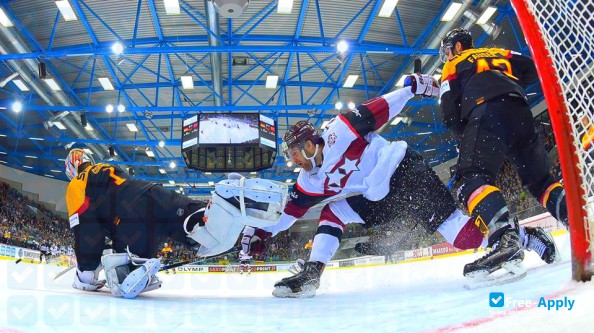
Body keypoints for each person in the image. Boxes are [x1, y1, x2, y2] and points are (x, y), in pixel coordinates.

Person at [240, 76, 557, 297]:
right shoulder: (307, 181)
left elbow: (378, 109)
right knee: (333, 212)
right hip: (377, 197)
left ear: (310, 144)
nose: (293, 160)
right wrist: (262, 231)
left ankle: (524, 235)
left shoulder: (340, 130)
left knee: (466, 239)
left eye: (295, 152)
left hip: (404, 173)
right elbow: (290, 213)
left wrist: (410, 89)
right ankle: (312, 275)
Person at [438, 28, 564, 279]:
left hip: (486, 112)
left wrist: (466, 139)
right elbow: (530, 68)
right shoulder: (499, 52)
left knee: (470, 178)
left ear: (458, 47)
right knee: (542, 182)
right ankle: (580, 224)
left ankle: (505, 242)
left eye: (448, 50)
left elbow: (450, 112)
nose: (447, 55)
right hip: (520, 111)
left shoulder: (453, 64)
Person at [64, 148, 235, 298]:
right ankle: (236, 212)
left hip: (131, 218)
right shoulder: (109, 169)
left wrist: (85, 271)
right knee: (196, 221)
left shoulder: (77, 183)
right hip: (152, 193)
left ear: (72, 168)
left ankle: (134, 266)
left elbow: (86, 228)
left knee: (125, 275)